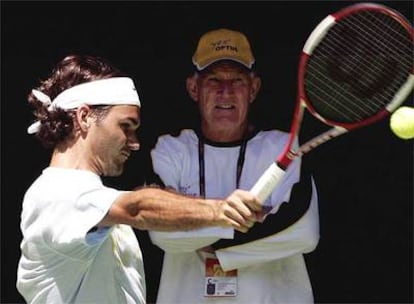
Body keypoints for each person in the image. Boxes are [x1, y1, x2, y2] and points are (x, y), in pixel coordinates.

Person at [16, 54, 262, 304]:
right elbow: (136, 207)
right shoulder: (56, 191)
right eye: (126, 126)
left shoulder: (91, 205)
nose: (135, 143)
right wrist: (220, 209)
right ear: (84, 117)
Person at [148, 28, 320, 303]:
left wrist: (204, 235)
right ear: (194, 88)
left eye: (237, 80)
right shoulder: (170, 150)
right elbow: (160, 232)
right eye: (213, 79)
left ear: (253, 89)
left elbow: (304, 232)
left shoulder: (284, 147)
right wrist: (252, 219)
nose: (225, 91)